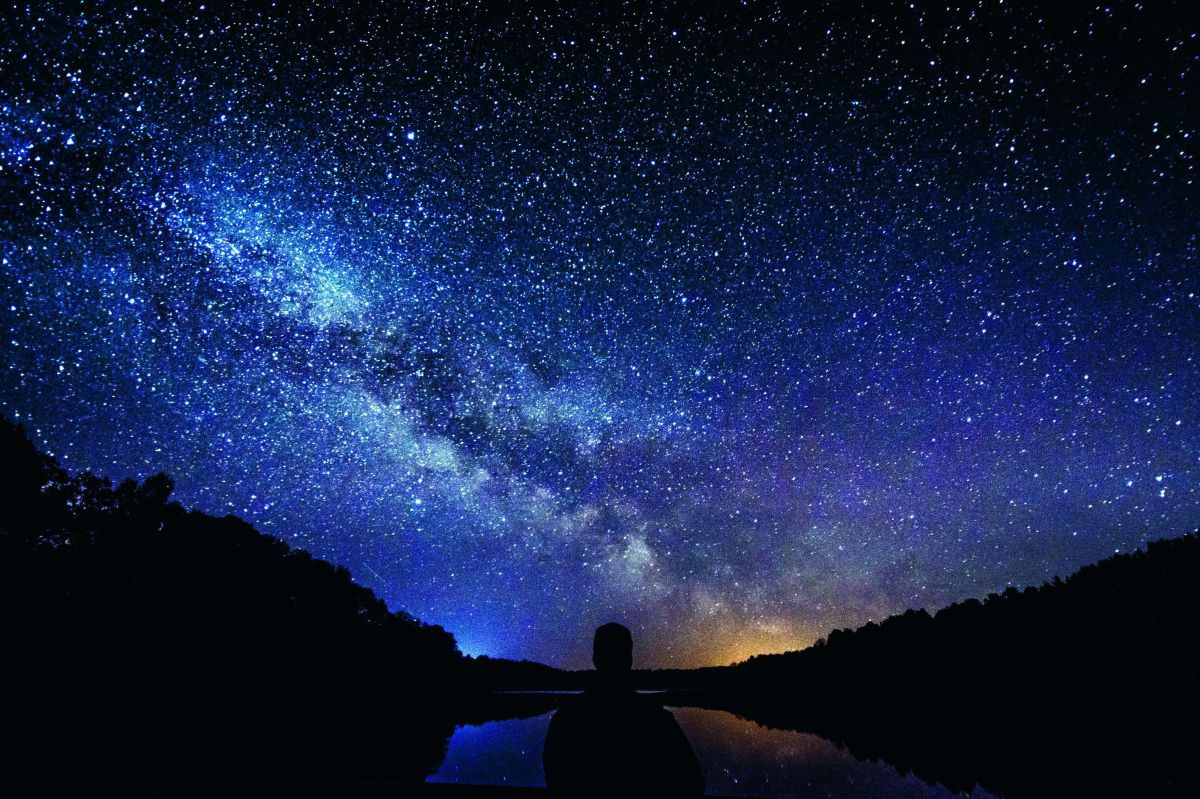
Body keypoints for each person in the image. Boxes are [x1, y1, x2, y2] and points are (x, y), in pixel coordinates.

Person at [542, 623, 704, 796]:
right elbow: (692, 781)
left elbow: (555, 775)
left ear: (595, 659)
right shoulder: (657, 719)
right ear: (629, 659)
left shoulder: (566, 718)